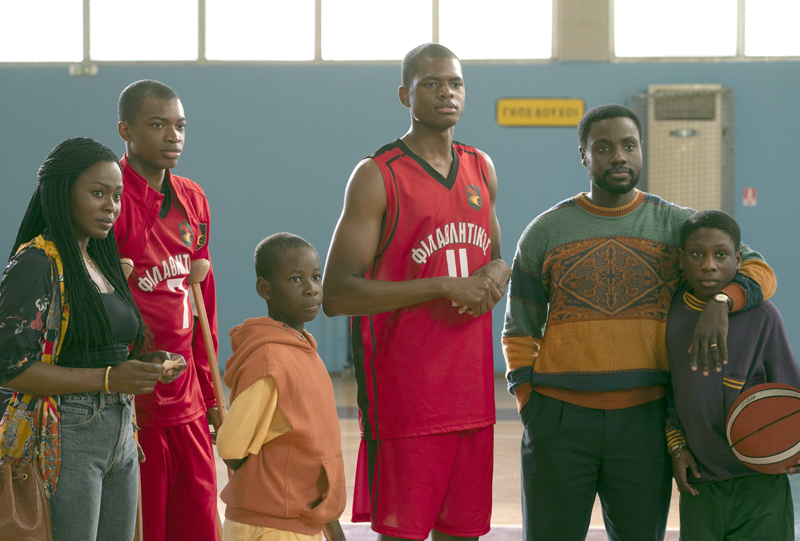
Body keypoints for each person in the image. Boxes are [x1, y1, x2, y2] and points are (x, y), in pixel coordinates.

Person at [501, 104, 777, 541]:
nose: (619, 156)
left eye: (629, 145)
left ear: (642, 149)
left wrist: (722, 302)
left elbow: (759, 268)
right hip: (559, 420)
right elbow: (519, 330)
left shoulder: (676, 225)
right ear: (583, 155)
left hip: (645, 422)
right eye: (604, 147)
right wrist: (530, 404)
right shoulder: (545, 232)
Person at [322, 43, 511, 541]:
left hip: (472, 396)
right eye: (432, 84)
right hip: (407, 399)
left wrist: (499, 272)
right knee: (402, 535)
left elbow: (494, 254)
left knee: (464, 534)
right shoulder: (377, 174)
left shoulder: (480, 167)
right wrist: (441, 286)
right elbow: (336, 294)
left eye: (455, 83)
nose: (447, 93)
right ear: (406, 95)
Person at [0, 137, 186, 540]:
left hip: (121, 429)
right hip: (67, 431)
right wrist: (108, 378)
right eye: (98, 193)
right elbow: (10, 368)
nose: (111, 207)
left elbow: (101, 349)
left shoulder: (100, 260)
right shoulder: (36, 263)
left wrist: (146, 364)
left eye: (117, 196)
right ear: (61, 193)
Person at [115, 79, 220, 541]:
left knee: (199, 525)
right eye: (158, 125)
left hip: (189, 398)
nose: (173, 136)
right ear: (126, 130)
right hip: (135, 404)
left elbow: (202, 304)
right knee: (146, 528)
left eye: (180, 126)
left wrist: (211, 394)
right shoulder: (110, 199)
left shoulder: (193, 198)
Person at [666, 210, 800, 541]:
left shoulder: (763, 316)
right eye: (697, 254)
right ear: (681, 260)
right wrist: (676, 446)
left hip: (760, 483)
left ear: (739, 260)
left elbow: (791, 395)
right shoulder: (670, 316)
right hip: (700, 483)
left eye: (721, 255)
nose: (709, 265)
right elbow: (668, 394)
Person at [217, 233, 346, 541]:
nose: (311, 288)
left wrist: (331, 524)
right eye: (295, 279)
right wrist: (270, 481)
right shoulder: (269, 360)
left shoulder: (303, 349)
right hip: (269, 525)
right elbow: (231, 448)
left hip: (298, 521)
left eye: (316, 277)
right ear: (265, 289)